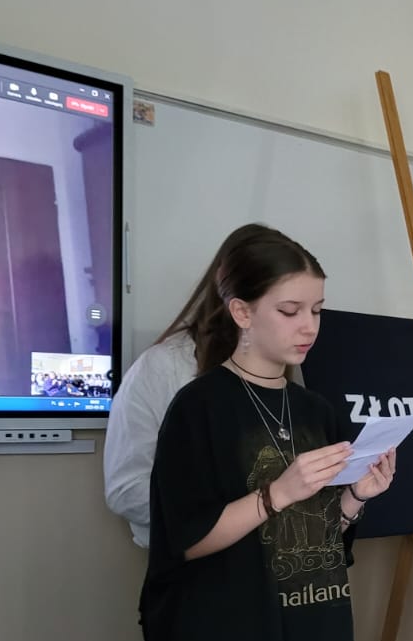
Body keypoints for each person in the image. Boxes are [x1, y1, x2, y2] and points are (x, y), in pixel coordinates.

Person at [141, 225, 396, 641]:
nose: (309, 326)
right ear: (242, 312)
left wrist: (356, 499)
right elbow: (185, 539)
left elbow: (320, 541)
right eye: (289, 310)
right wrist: (275, 494)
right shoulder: (199, 408)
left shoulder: (315, 410)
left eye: (317, 310)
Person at [104, 222, 302, 548]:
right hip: (195, 563)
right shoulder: (162, 368)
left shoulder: (287, 373)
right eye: (286, 310)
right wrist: (245, 506)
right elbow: (125, 490)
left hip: (274, 562)